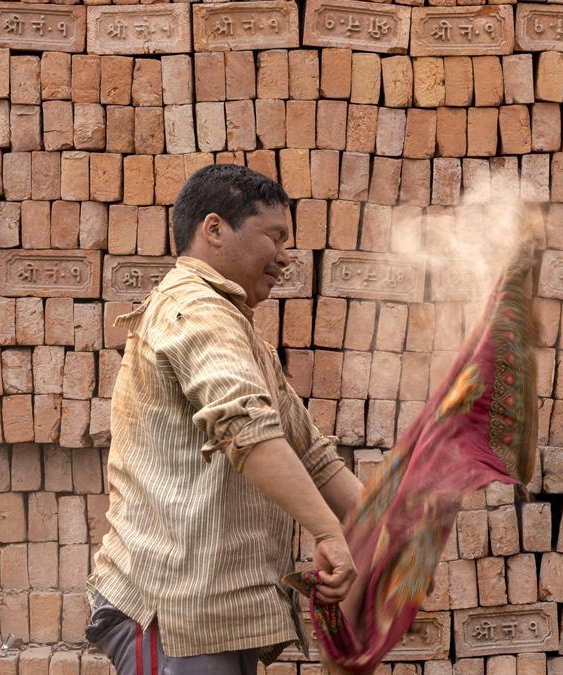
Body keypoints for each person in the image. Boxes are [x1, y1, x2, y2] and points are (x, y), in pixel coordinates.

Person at [86, 164, 364, 674]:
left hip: (212, 615)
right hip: (170, 613)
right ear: (214, 230)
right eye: (274, 237)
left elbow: (311, 453)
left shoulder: (236, 327)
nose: (285, 257)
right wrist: (328, 534)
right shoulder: (192, 307)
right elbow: (247, 431)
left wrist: (385, 535)